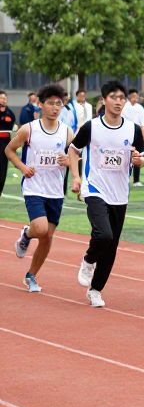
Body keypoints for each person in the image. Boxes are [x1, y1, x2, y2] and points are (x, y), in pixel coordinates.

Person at [69, 81, 144, 308]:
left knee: (112, 245)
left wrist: (139, 160)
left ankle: (95, 290)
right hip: (94, 188)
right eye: (113, 97)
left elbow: (141, 157)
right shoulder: (91, 127)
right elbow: (73, 151)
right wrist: (76, 177)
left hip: (120, 193)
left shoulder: (132, 129)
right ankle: (88, 259)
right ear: (104, 100)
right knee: (103, 234)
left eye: (121, 98)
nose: (118, 101)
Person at [8, 84, 75, 293]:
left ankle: (31, 275)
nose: (55, 108)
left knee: (48, 237)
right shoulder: (29, 129)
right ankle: (27, 234)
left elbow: (75, 155)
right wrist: (22, 167)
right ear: (41, 104)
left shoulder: (66, 131)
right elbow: (9, 150)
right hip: (34, 187)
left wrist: (68, 161)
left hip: (55, 190)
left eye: (59, 104)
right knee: (41, 229)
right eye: (51, 103)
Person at [123, 89, 144, 188]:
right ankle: (125, 178)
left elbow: (143, 123)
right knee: (126, 156)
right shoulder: (124, 107)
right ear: (129, 97)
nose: (135, 99)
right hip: (126, 133)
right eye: (133, 96)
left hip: (137, 134)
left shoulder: (140, 108)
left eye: (136, 97)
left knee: (137, 156)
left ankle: (136, 180)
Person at [0, 90, 16, 198]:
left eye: (5, 98)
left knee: (3, 170)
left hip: (5, 144)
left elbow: (12, 126)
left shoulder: (10, 113)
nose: (4, 100)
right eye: (1, 98)